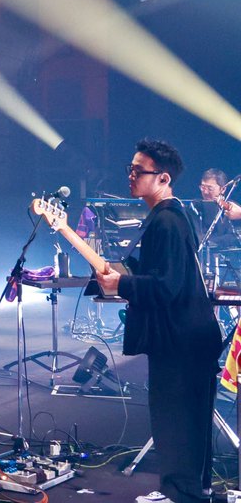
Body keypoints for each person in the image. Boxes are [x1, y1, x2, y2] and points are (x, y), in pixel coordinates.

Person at [95, 139, 222, 503]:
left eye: (140, 171)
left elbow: (166, 286)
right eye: (130, 169)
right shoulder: (170, 216)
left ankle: (181, 493)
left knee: (175, 420)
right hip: (187, 337)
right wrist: (127, 274)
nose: (131, 176)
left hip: (182, 339)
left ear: (163, 177)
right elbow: (165, 276)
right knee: (182, 419)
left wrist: (122, 282)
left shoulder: (166, 221)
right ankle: (183, 491)